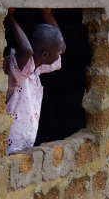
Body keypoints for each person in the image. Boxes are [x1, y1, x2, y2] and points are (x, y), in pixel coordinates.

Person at [4, 8, 66, 155]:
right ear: (45, 54)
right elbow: (27, 50)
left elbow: (62, 47)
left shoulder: (37, 68)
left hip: (26, 145)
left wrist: (47, 13)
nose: (59, 54)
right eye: (56, 53)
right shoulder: (19, 67)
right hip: (7, 146)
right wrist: (8, 15)